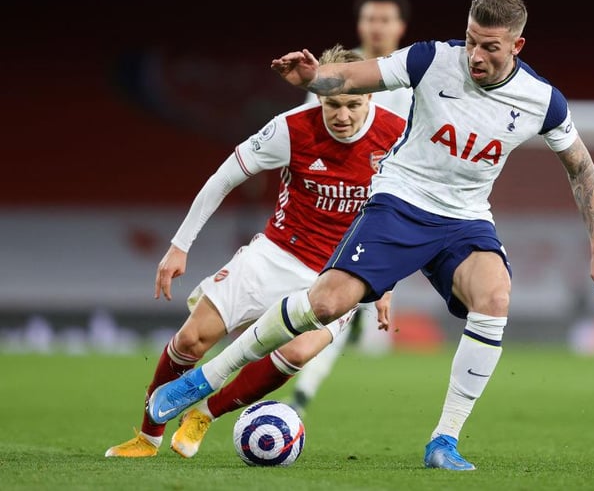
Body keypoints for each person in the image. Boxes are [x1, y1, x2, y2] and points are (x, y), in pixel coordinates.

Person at [147, 0, 594, 471]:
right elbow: (359, 75)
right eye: (471, 41)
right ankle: (208, 377)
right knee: (327, 303)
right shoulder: (431, 60)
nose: (475, 56)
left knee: (496, 298)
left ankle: (445, 440)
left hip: (465, 218)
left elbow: (581, 168)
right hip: (401, 200)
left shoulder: (543, 101)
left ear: (517, 47)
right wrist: (316, 76)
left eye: (490, 48)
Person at [105, 45, 407, 458]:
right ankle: (147, 436)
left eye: (353, 104)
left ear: (370, 95)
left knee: (298, 352)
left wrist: (383, 282)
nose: (343, 115)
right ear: (318, 96)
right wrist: (179, 246)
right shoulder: (290, 129)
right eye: (333, 104)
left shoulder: (397, 135)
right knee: (192, 340)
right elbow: (224, 176)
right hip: (275, 253)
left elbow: (399, 214)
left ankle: (203, 415)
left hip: (338, 275)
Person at [292, 0, 413, 416]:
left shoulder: (414, 80)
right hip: (337, 209)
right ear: (359, 25)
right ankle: (303, 387)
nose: (377, 27)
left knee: (358, 322)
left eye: (385, 20)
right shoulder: (333, 77)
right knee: (328, 308)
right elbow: (311, 141)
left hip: (394, 210)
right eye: (370, 19)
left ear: (400, 27)